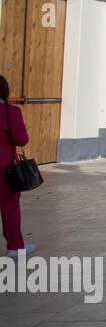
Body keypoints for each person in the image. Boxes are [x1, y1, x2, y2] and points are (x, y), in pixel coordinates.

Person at [0, 76, 32, 256]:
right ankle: (14, 246)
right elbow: (21, 140)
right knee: (10, 208)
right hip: (5, 167)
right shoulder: (11, 112)